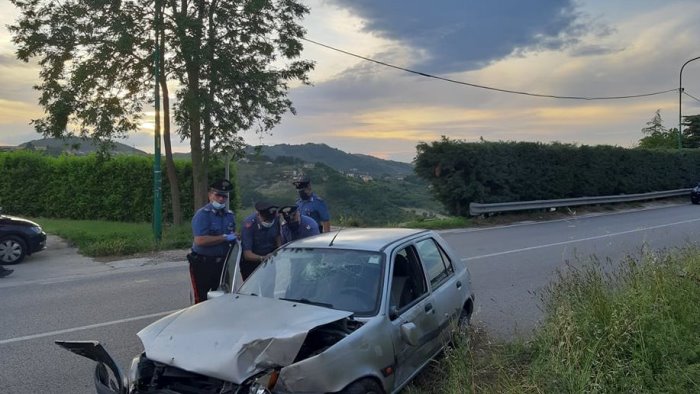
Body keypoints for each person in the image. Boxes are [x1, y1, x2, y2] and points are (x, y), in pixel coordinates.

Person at [188, 179, 236, 303]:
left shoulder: (229, 215)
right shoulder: (203, 215)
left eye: (224, 196)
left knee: (222, 297)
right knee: (202, 299)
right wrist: (224, 238)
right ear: (210, 196)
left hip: (222, 263)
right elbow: (200, 240)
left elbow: (232, 235)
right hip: (203, 263)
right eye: (218, 195)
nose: (221, 199)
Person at [240, 201, 282, 280]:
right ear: (259, 214)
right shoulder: (249, 224)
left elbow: (277, 235)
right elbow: (247, 254)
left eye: (271, 220)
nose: (269, 222)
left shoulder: (275, 219)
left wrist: (278, 250)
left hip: (270, 260)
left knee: (268, 288)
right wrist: (263, 258)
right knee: (251, 291)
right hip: (252, 262)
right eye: (266, 220)